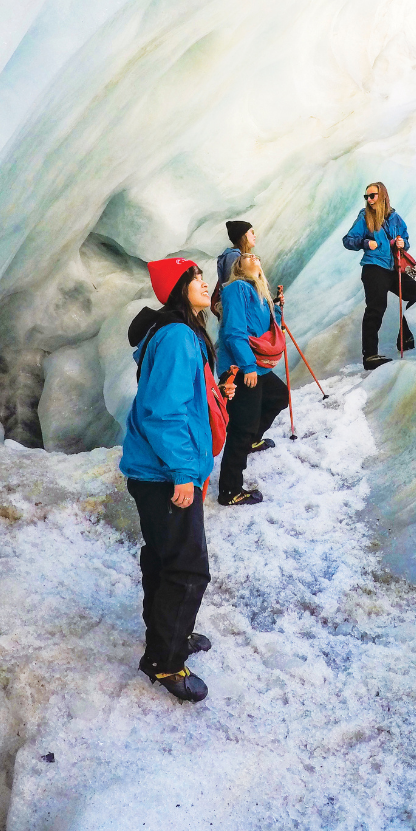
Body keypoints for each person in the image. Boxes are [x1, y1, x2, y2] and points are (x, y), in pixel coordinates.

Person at [121, 256, 234, 704]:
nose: (205, 284)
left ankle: (171, 634)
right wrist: (184, 473)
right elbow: (162, 412)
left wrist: (213, 393)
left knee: (165, 560)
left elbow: (178, 400)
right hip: (165, 473)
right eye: (196, 279)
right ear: (178, 289)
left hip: (156, 471)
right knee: (188, 570)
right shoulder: (177, 337)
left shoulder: (174, 334)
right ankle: (165, 661)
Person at [216, 252, 288, 505]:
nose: (254, 256)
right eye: (247, 256)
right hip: (240, 367)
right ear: (238, 266)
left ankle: (252, 440)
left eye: (257, 256)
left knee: (279, 396)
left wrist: (277, 308)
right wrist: (247, 367)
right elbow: (234, 333)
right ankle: (229, 490)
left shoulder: (259, 292)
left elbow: (268, 328)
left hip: (256, 367)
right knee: (241, 427)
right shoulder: (236, 288)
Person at [342, 180, 416, 371]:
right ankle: (369, 356)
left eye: (372, 196)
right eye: (366, 197)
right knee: (376, 308)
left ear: (382, 195)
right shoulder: (364, 217)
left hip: (392, 268)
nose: (369, 200)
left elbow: (405, 239)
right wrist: (367, 244)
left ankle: (404, 335)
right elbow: (348, 240)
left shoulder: (395, 218)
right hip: (373, 267)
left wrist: (402, 244)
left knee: (413, 292)